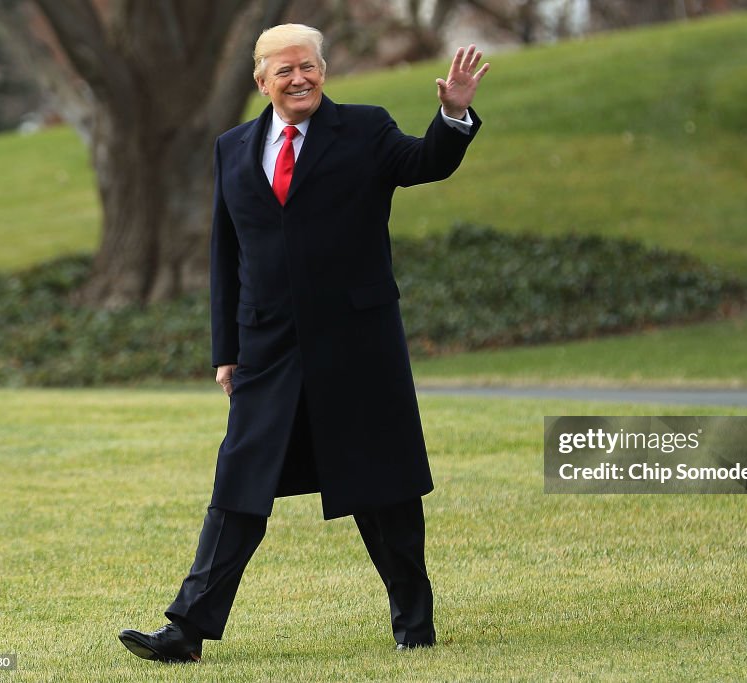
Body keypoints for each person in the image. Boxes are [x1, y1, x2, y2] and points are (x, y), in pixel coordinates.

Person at [117, 23, 488, 663]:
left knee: (384, 488)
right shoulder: (232, 147)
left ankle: (414, 624)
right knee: (237, 485)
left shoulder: (367, 129)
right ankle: (185, 632)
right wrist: (226, 349)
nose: (300, 79)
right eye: (285, 70)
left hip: (356, 343)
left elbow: (425, 162)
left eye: (309, 66)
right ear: (262, 81)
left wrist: (452, 115)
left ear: (324, 70)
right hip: (268, 350)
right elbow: (225, 252)